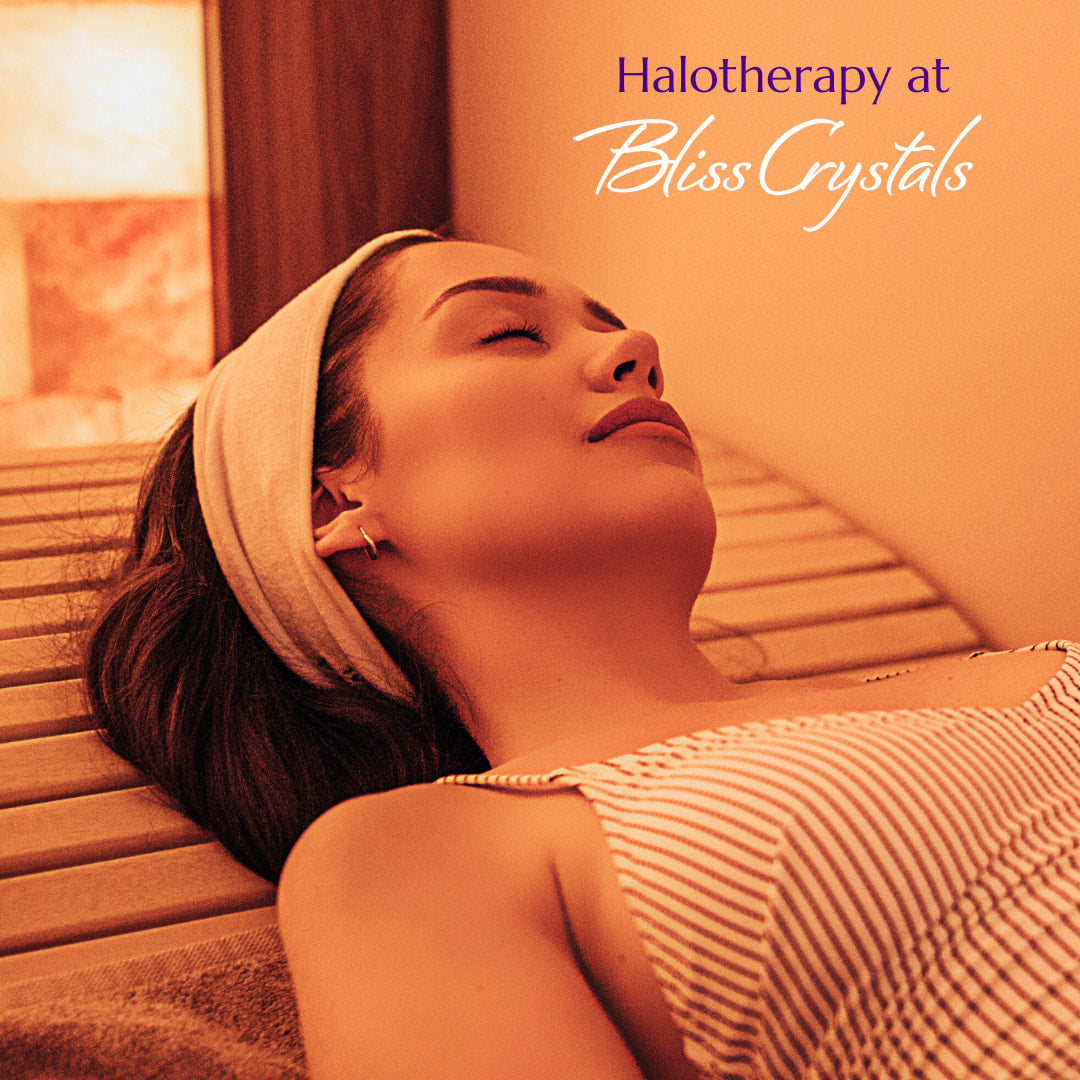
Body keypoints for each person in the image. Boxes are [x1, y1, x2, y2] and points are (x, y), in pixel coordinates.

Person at [85, 229, 1080, 1080]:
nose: (635, 347)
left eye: (610, 325)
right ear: (332, 502)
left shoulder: (990, 667)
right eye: (511, 333)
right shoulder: (413, 857)